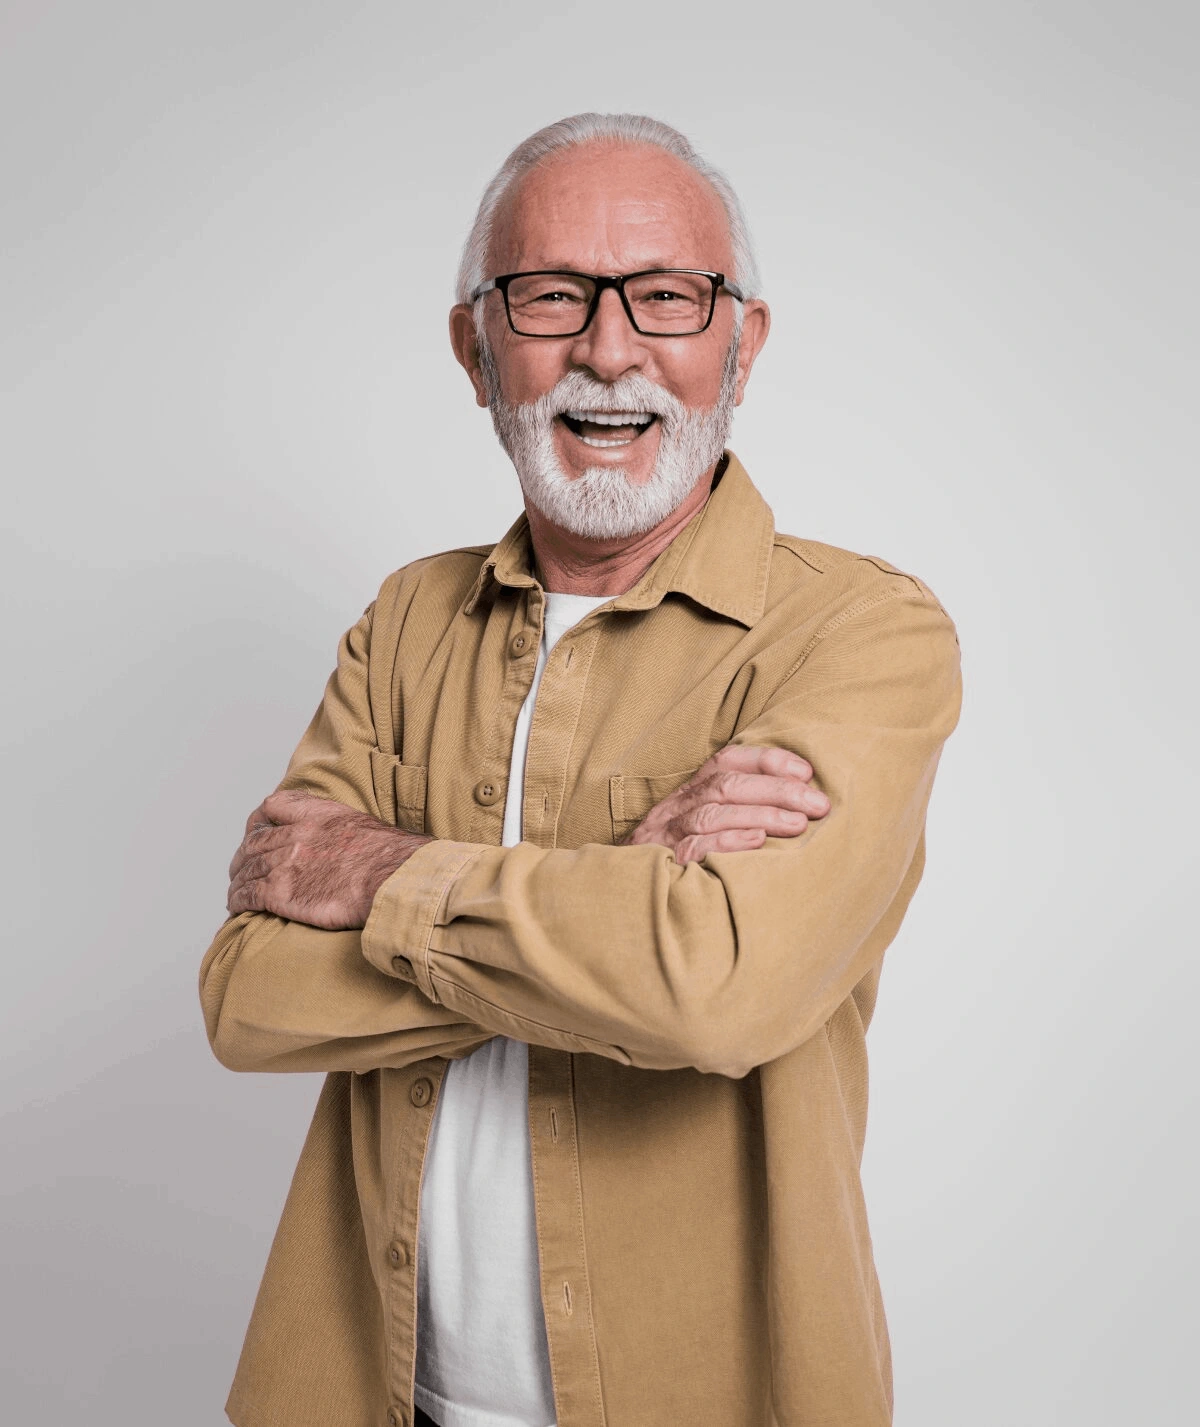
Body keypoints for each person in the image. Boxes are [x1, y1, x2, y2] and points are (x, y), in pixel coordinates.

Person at [201, 112, 962, 1427]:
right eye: (550, 296)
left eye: (667, 295)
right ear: (475, 346)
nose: (610, 349)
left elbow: (710, 994)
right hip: (370, 1391)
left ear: (743, 338)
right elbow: (250, 996)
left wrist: (380, 878)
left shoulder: (861, 633)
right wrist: (617, 908)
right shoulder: (405, 624)